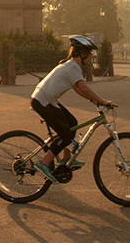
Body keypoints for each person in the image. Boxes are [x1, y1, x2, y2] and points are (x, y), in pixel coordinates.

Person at [29, 36, 115, 182]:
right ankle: (43, 163)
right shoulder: (73, 67)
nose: (92, 57)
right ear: (82, 53)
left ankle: (66, 158)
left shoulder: (71, 65)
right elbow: (83, 87)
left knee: (72, 123)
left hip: (46, 99)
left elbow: (78, 89)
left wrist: (95, 102)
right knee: (66, 135)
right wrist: (102, 101)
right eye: (90, 53)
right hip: (43, 101)